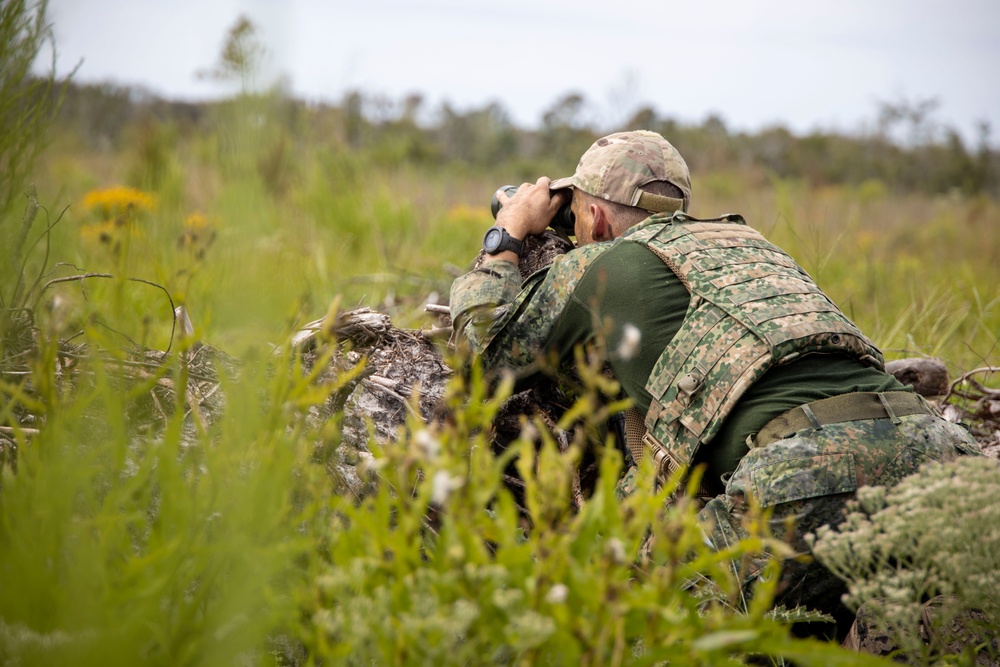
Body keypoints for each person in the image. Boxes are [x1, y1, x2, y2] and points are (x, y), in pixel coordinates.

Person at [449, 130, 978, 637]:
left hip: (804, 476)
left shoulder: (604, 263)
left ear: (593, 217)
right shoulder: (751, 246)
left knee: (636, 633)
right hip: (944, 459)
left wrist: (510, 231)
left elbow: (480, 347)